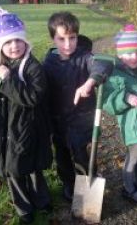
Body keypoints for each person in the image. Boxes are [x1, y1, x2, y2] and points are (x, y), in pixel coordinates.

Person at [0, 6, 53, 224]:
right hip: (4, 129)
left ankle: (42, 200)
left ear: (25, 41)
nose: (14, 46)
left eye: (18, 40)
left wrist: (9, 80)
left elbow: (32, 97)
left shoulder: (33, 67)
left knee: (34, 168)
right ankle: (24, 208)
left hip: (29, 128)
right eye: (7, 42)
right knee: (14, 170)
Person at [42, 11, 112, 202]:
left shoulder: (86, 56)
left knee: (82, 156)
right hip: (58, 122)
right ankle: (68, 184)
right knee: (63, 158)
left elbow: (103, 65)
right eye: (61, 39)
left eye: (72, 38)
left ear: (77, 36)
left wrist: (90, 82)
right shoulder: (48, 62)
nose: (67, 44)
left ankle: (88, 184)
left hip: (81, 121)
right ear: (53, 38)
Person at [102, 24, 137, 204]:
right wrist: (125, 97)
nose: (134, 57)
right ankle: (129, 187)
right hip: (132, 126)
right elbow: (108, 102)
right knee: (136, 154)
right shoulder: (115, 74)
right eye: (128, 54)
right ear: (119, 54)